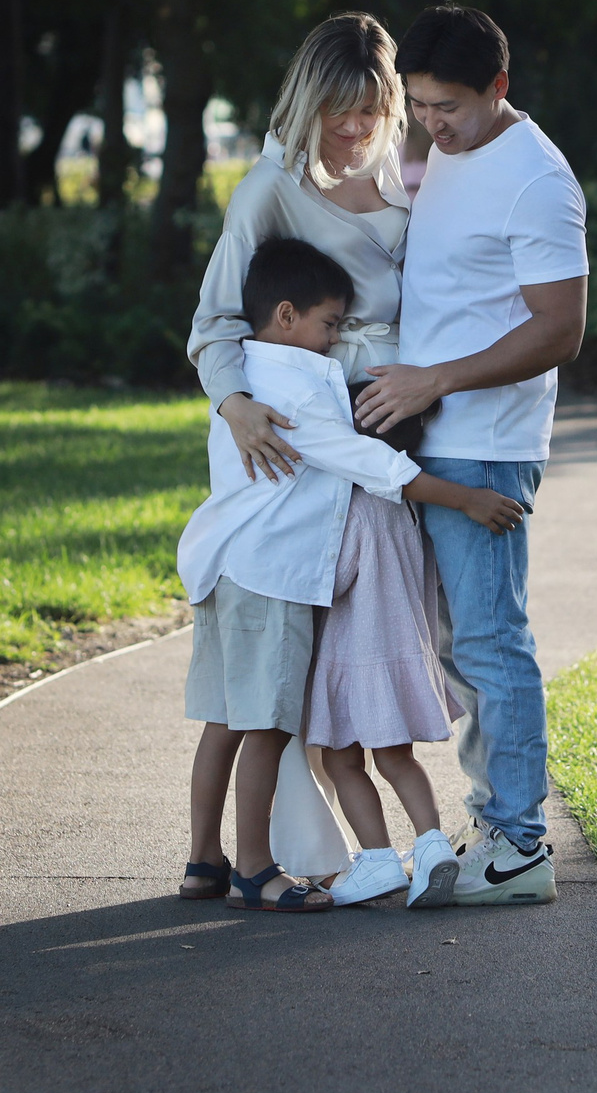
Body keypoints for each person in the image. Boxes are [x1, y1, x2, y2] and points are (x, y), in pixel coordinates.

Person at [178, 237, 525, 913]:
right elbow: (369, 463)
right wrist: (467, 499)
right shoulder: (293, 387)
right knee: (268, 726)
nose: (338, 338)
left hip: (227, 564)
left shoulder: (245, 375)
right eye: (330, 324)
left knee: (223, 718)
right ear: (286, 315)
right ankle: (253, 868)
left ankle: (203, 861)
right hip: (272, 573)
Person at [355, 5, 589, 907]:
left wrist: (432, 380)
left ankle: (522, 845)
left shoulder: (536, 180)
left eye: (447, 104)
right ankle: (497, 820)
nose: (429, 122)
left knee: (492, 642)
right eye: (417, 104)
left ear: (500, 87)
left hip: (487, 444)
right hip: (435, 440)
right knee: (459, 644)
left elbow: (561, 328)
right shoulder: (452, 153)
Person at [189, 13, 413, 488]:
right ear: (310, 100)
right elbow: (215, 320)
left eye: (370, 109)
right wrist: (235, 406)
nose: (355, 127)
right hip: (325, 406)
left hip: (417, 394)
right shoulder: (269, 188)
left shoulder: (386, 161)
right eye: (339, 108)